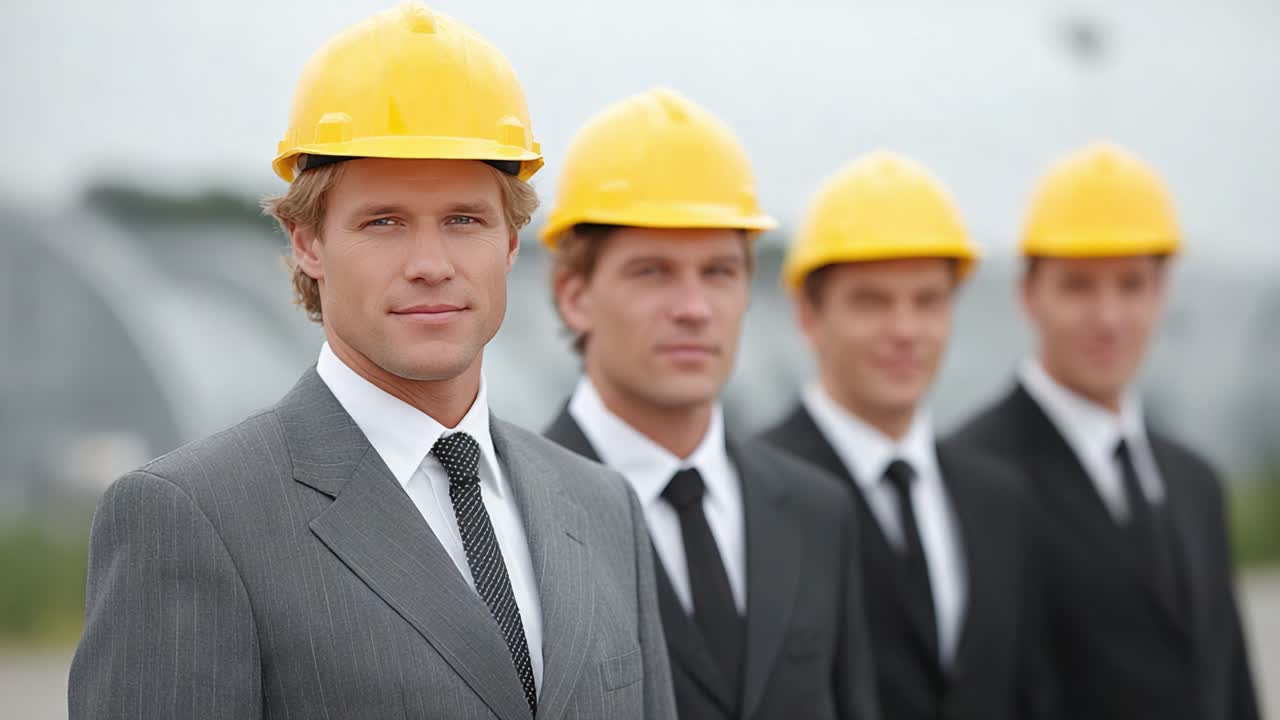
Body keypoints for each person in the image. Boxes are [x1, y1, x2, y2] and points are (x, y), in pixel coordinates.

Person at [68, 6, 676, 719]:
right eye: (383, 222)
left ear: (511, 242)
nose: (430, 264)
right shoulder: (192, 517)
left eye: (464, 220)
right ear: (307, 242)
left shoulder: (604, 507)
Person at [540, 87, 880, 720]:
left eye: (720, 272)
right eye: (652, 271)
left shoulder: (819, 510)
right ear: (575, 295)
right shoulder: (514, 518)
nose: (695, 309)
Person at [950, 141, 1259, 720]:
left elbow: (1233, 690)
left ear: (1163, 294)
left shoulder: (1196, 484)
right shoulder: (967, 482)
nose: (1108, 317)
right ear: (1028, 294)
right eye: (1078, 286)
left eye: (1131, 285)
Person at [761, 151, 1055, 720]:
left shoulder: (1001, 500)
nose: (905, 330)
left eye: (928, 301)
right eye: (872, 301)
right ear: (808, 315)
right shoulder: (754, 498)